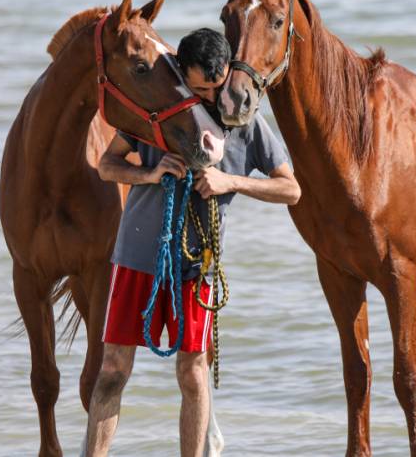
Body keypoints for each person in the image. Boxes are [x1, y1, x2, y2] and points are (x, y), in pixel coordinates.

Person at [85, 28, 300, 457]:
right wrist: (147, 173)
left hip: (197, 264)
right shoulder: (155, 113)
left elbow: (290, 189)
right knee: (112, 370)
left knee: (194, 374)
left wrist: (230, 181)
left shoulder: (244, 121)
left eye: (215, 87)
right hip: (137, 256)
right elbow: (107, 165)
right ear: (182, 75)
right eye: (198, 88)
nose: (209, 98)